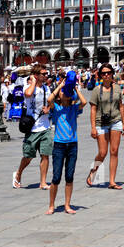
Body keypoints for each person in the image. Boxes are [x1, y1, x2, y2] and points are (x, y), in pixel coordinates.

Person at [46, 70, 86, 216]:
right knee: (56, 177)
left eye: (65, 91)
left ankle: (67, 205)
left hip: (72, 145)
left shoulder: (74, 108)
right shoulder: (56, 109)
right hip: (59, 145)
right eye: (63, 92)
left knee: (69, 176)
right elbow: (50, 100)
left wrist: (75, 88)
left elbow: (84, 102)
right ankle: (51, 205)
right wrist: (60, 85)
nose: (64, 93)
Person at [12, 66, 53, 191]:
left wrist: (49, 109)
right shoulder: (28, 87)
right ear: (36, 76)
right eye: (43, 74)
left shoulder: (47, 88)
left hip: (45, 126)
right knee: (28, 156)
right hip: (32, 128)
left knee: (45, 155)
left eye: (47, 74)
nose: (46, 76)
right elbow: (28, 94)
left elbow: (51, 102)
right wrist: (33, 82)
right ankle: (18, 173)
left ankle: (43, 182)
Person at [87, 63, 124, 189]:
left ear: (112, 73)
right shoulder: (97, 90)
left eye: (109, 72)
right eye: (104, 73)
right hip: (101, 123)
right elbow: (93, 109)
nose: (107, 75)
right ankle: (94, 170)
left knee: (114, 151)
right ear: (100, 75)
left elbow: (120, 106)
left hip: (115, 120)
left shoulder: (117, 88)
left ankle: (112, 181)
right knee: (103, 152)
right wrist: (93, 127)